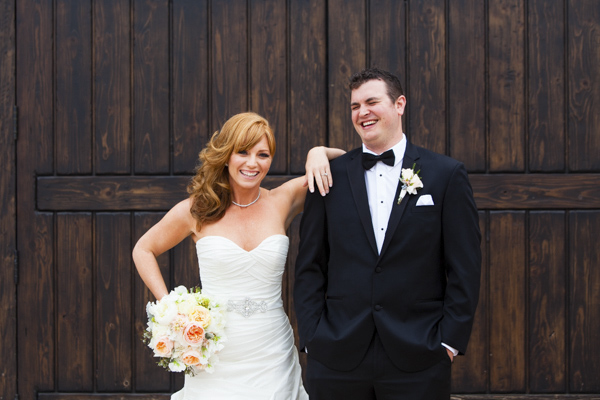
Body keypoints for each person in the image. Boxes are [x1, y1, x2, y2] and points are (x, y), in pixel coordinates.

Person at [294, 67, 482, 400]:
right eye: (354, 106)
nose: (362, 112)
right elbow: (310, 265)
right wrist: (313, 337)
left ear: (399, 104)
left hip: (419, 356)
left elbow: (464, 268)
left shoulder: (446, 174)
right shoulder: (327, 177)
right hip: (337, 356)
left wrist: (448, 343)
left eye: (371, 102)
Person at [133, 111, 344, 399]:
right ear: (226, 155)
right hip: (215, 353)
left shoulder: (283, 200)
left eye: (263, 154)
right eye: (242, 152)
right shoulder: (197, 209)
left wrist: (318, 153)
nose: (252, 163)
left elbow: (348, 164)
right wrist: (172, 309)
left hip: (271, 350)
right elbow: (143, 249)